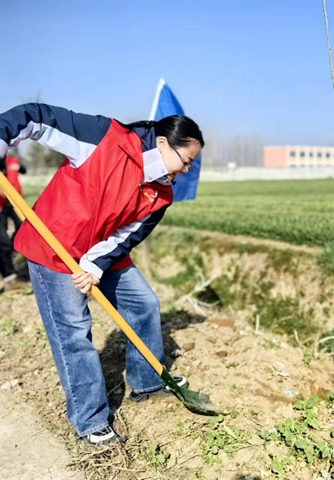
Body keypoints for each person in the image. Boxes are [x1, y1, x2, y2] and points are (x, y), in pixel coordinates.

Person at [0, 103, 205, 446]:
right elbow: (35, 116)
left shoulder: (162, 192)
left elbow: (127, 235)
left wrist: (94, 264)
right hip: (54, 247)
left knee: (144, 304)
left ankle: (146, 382)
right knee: (74, 332)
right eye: (186, 161)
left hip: (100, 251)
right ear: (165, 144)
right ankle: (91, 421)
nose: (185, 171)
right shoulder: (104, 137)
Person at [0, 150, 26, 284]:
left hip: (14, 202)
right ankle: (8, 274)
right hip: (2, 205)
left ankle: (13, 249)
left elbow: (24, 171)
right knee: (3, 243)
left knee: (23, 227)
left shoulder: (11, 160)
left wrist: (19, 167)